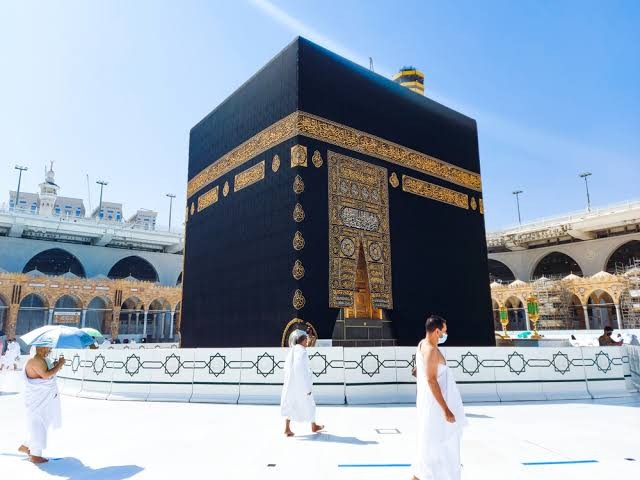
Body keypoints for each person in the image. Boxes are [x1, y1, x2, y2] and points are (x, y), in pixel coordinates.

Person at [412, 315, 467, 480]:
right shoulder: (430, 350)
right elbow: (431, 379)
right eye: (444, 331)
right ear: (437, 331)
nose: (445, 334)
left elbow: (423, 372)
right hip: (436, 408)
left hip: (434, 406)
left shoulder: (423, 344)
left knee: (433, 448)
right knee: (435, 448)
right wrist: (446, 409)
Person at [18, 342, 64, 463]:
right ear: (41, 348)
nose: (49, 349)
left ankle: (27, 445)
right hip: (37, 399)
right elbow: (45, 375)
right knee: (39, 422)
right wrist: (59, 365)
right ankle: (35, 454)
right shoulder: (35, 360)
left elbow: (46, 372)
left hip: (42, 398)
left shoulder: (41, 359)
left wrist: (55, 365)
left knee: (44, 420)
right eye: (48, 347)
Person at [280, 329, 324, 437]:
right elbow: (301, 369)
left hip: (291, 383)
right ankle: (313, 426)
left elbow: (286, 368)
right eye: (306, 340)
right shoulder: (302, 352)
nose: (308, 342)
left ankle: (287, 428)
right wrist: (307, 387)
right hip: (301, 384)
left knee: (291, 404)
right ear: (303, 340)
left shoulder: (293, 350)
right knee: (310, 404)